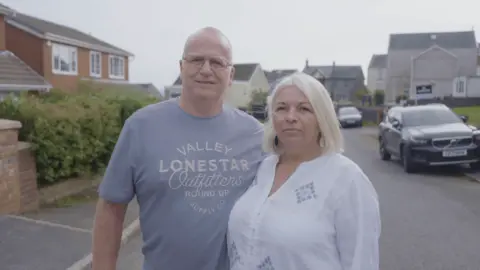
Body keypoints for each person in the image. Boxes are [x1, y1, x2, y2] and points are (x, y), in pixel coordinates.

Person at [91, 27, 265, 270]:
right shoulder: (141, 127)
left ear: (231, 73)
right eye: (196, 60)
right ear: (181, 67)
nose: (206, 70)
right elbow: (111, 207)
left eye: (217, 62)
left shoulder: (255, 135)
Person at [227, 72, 381, 270]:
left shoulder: (347, 180)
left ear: (321, 118)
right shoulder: (263, 168)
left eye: (304, 109)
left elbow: (361, 262)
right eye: (281, 108)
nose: (291, 117)